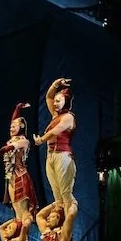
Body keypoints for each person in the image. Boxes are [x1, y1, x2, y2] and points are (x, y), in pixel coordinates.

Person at [0, 102, 38, 221]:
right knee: (16, 210)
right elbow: (14, 120)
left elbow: (7, 149)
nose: (11, 128)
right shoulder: (14, 139)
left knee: (23, 212)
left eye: (14, 126)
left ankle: (25, 231)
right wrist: (17, 108)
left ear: (21, 127)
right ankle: (20, 231)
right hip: (12, 178)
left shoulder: (24, 142)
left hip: (20, 177)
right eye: (10, 127)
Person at [34, 78, 77, 208]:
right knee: (57, 195)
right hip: (51, 156)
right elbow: (48, 97)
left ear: (66, 102)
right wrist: (55, 84)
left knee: (65, 193)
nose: (55, 103)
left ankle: (69, 217)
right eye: (55, 101)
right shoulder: (55, 116)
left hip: (62, 155)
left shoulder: (68, 117)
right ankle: (60, 219)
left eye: (58, 101)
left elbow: (55, 131)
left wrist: (41, 140)